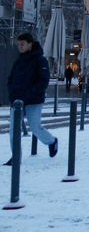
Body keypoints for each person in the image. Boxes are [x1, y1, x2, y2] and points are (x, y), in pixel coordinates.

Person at [5, 33, 56, 166]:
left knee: (35, 127)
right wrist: (12, 95)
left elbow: (43, 81)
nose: (20, 47)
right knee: (14, 130)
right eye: (18, 44)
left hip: (34, 101)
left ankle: (51, 141)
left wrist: (31, 93)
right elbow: (11, 79)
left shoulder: (40, 60)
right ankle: (16, 157)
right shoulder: (19, 61)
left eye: (22, 44)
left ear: (30, 44)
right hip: (17, 103)